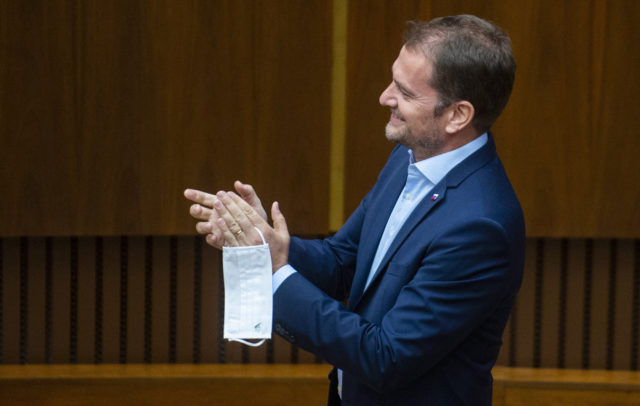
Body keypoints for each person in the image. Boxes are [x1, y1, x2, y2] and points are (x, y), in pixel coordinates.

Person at [185, 14, 525, 406]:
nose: (384, 97)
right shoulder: (409, 158)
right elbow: (342, 261)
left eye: (405, 92)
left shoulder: (481, 226)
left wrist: (277, 272)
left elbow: (386, 358)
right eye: (392, 80)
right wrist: (264, 241)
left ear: (457, 115)